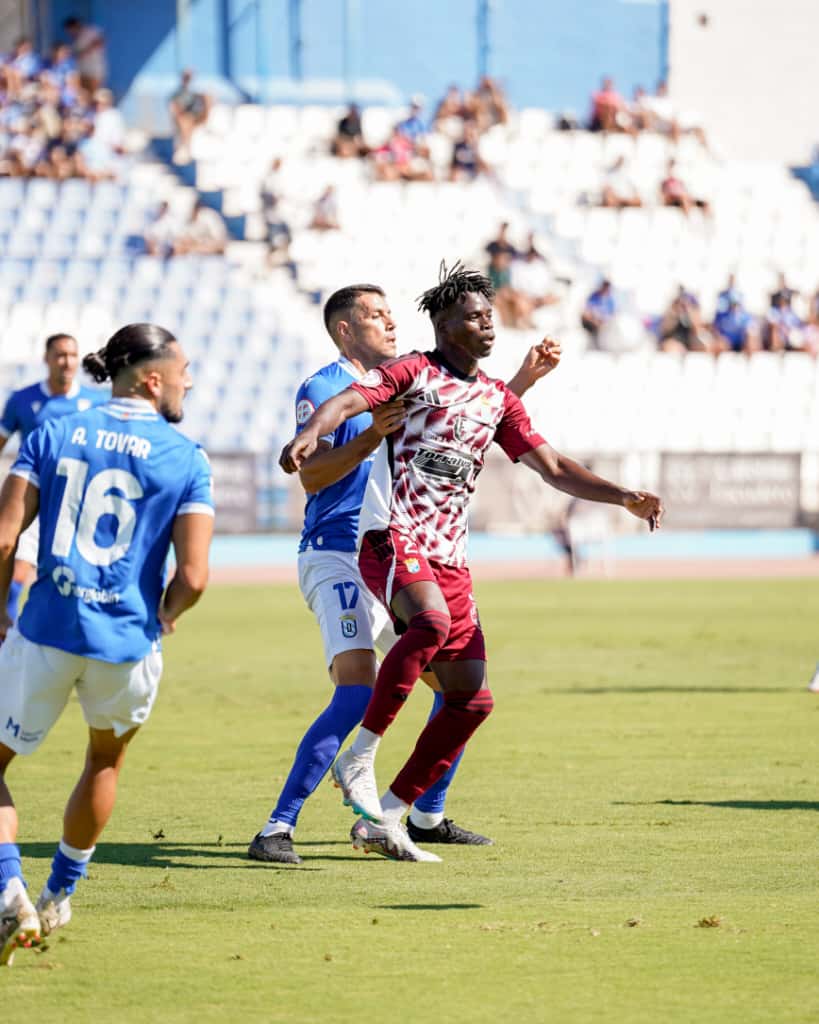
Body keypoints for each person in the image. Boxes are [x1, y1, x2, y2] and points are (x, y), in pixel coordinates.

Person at [279, 264, 663, 860]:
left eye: (490, 316)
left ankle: (393, 814)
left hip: (449, 557)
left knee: (471, 699)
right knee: (428, 624)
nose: (488, 325)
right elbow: (350, 399)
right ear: (444, 324)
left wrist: (622, 496)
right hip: (390, 536)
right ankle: (359, 754)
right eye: (475, 317)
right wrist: (312, 434)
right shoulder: (412, 371)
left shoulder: (496, 398)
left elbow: (552, 467)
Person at [248, 283, 561, 864]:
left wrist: (521, 382)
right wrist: (372, 434)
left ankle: (423, 815)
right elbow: (311, 477)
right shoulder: (326, 388)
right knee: (357, 689)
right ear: (345, 330)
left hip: (400, 554)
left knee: (460, 692)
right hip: (340, 551)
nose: (390, 324)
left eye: (392, 314)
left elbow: (471, 416)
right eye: (375, 316)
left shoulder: (408, 379)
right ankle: (277, 827)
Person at [0, 323, 213, 966]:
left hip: (46, 629)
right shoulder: (187, 457)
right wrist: (167, 615)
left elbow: (4, 537)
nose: (188, 383)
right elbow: (194, 577)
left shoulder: (53, 432)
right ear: (152, 379)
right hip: (127, 642)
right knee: (103, 762)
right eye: (182, 372)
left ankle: (8, 887)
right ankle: (58, 894)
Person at [0, 334, 106, 625]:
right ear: (46, 359)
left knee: (77, 583)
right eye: (60, 355)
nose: (67, 362)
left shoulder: (97, 402)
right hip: (34, 501)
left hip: (78, 505)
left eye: (72, 355)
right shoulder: (23, 400)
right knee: (14, 578)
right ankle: (7, 639)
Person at [168, 69, 211, 165]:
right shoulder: (178, 93)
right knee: (185, 122)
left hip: (196, 117)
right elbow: (174, 106)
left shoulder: (194, 92)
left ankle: (187, 148)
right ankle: (184, 148)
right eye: (186, 77)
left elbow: (201, 102)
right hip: (184, 119)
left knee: (207, 97)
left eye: (189, 77)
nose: (188, 80)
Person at [63, 17, 106, 92]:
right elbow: (75, 55)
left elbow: (100, 42)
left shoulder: (91, 31)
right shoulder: (75, 41)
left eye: (71, 30)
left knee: (94, 93)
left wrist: (84, 52)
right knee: (83, 93)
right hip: (82, 72)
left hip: (95, 71)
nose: (71, 33)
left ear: (75, 26)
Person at [581, 279, 616, 344]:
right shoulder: (594, 296)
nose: (605, 290)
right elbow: (588, 308)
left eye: (607, 288)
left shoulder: (610, 300)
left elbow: (611, 314)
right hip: (591, 320)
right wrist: (593, 317)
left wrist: (602, 319)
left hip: (602, 323)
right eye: (604, 287)